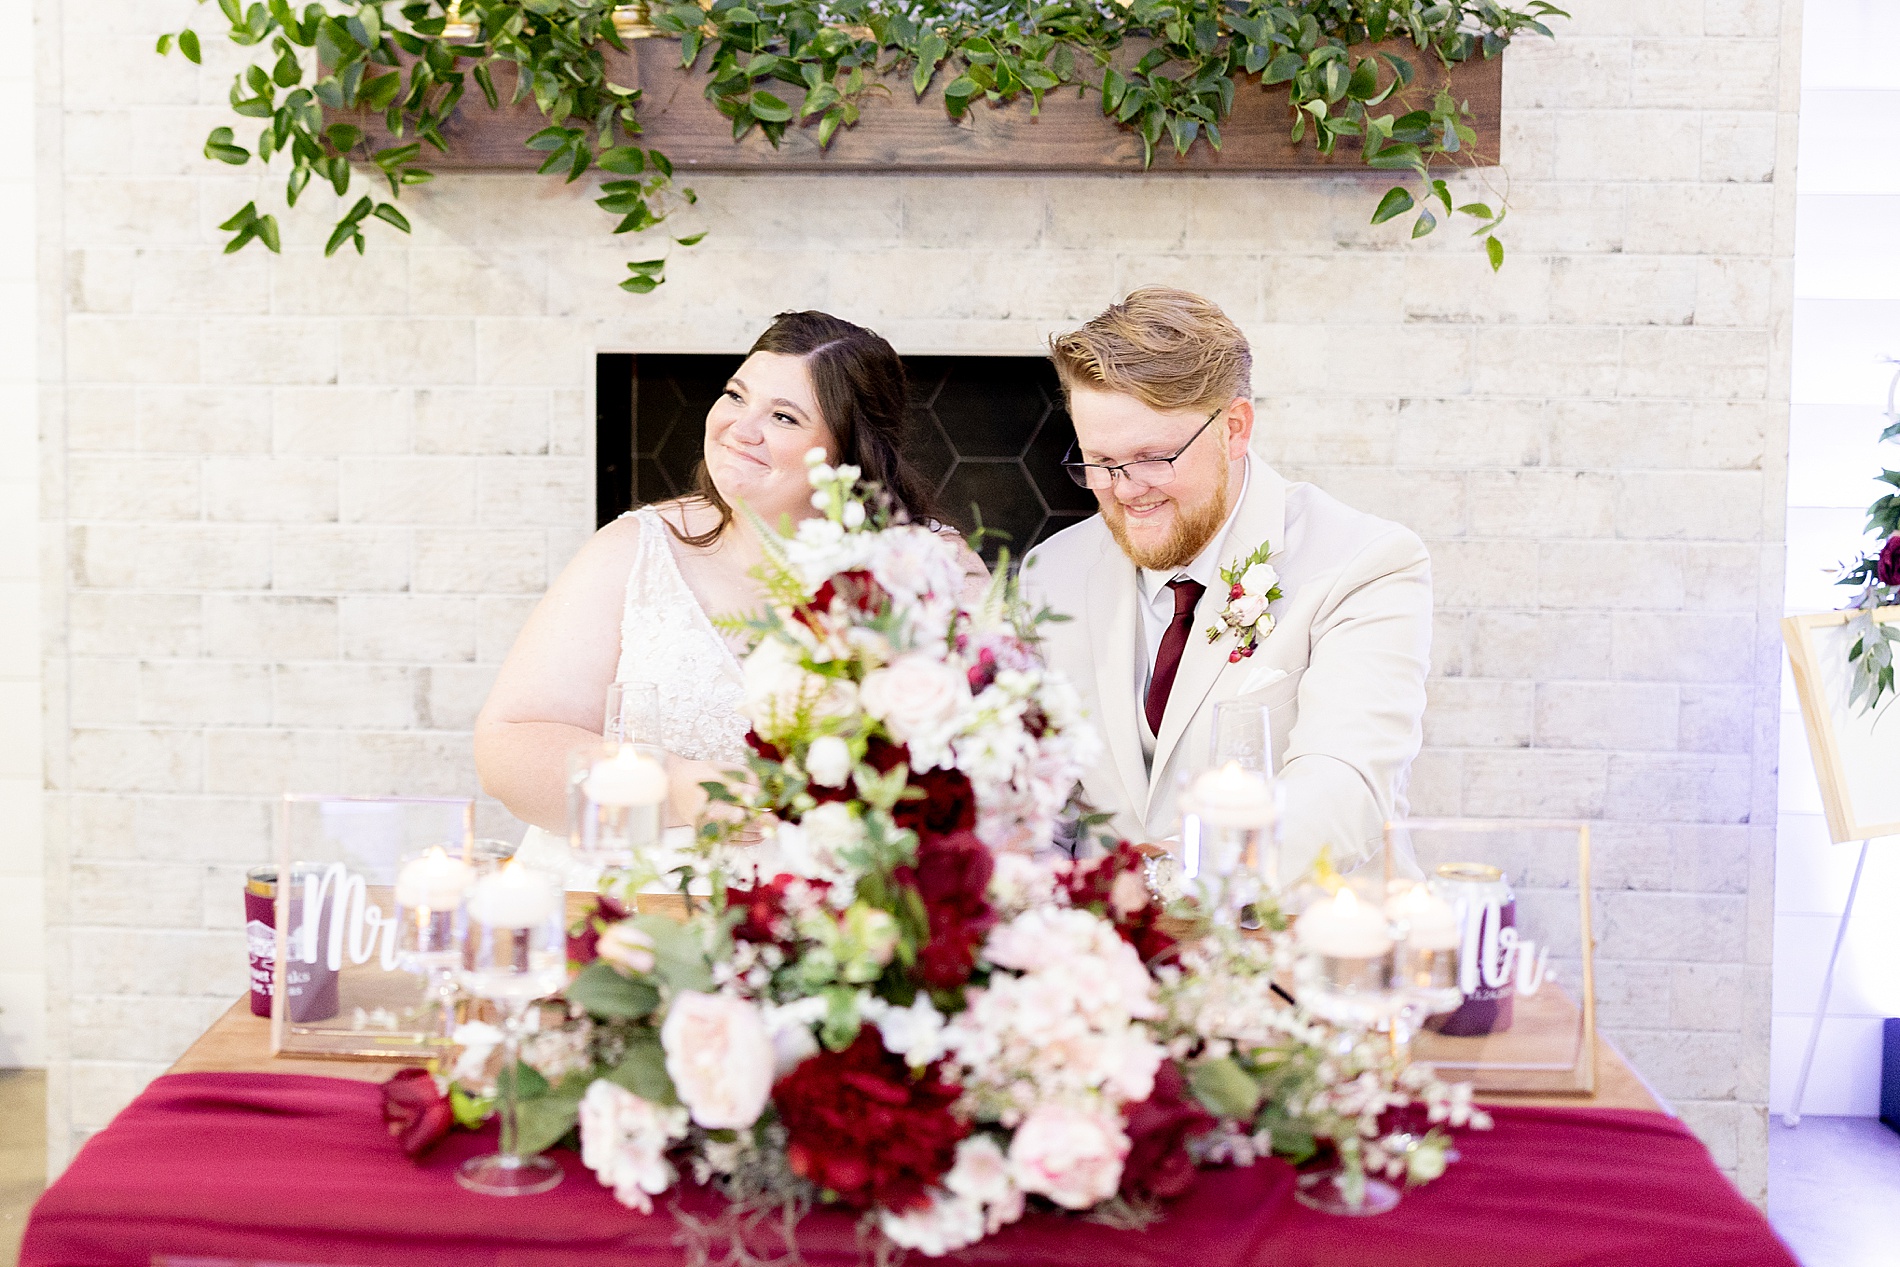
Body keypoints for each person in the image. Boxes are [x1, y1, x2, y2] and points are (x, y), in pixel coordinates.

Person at [475, 310, 983, 849]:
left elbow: (985, 764)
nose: (740, 429)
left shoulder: (925, 569)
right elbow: (506, 748)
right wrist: (678, 791)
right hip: (645, 888)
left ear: (848, 452)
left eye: (784, 417)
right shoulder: (634, 551)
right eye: (736, 396)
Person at [1021, 287, 1432, 877]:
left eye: (1152, 456)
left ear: (1235, 429)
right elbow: (1038, 808)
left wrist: (1162, 886)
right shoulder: (1049, 575)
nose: (1126, 488)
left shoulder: (1367, 563)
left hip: (1298, 949)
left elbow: (1344, 794)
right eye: (1100, 461)